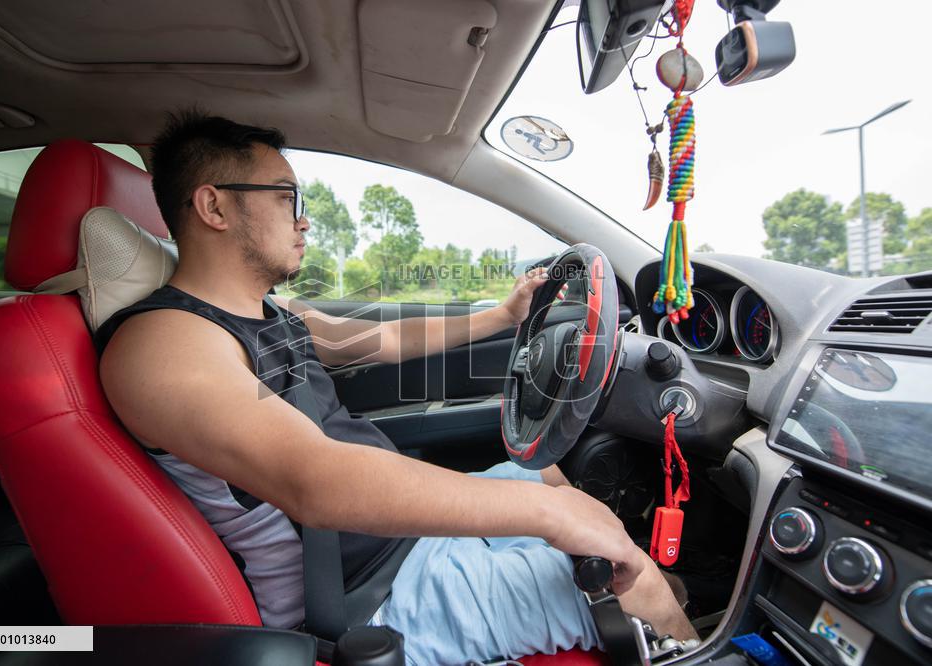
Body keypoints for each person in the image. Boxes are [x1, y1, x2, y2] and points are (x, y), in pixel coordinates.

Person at [96, 110, 695, 664]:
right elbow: (315, 481)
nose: (303, 218)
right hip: (362, 596)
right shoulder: (164, 343)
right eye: (286, 198)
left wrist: (502, 316)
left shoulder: (268, 314)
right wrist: (549, 516)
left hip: (394, 541)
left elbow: (379, 340)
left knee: (547, 474)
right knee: (631, 579)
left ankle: (666, 605)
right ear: (214, 207)